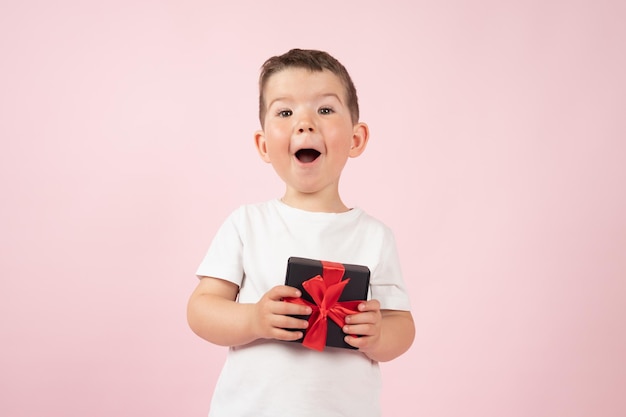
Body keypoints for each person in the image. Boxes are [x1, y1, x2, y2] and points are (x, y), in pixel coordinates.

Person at [187, 48, 415, 417]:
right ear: (263, 145)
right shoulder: (247, 223)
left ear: (356, 138)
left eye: (325, 109)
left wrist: (378, 335)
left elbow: (401, 326)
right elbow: (200, 309)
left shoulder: (375, 236)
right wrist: (254, 319)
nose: (305, 123)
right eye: (285, 111)